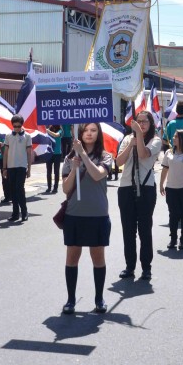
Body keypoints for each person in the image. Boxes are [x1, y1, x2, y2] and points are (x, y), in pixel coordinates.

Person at [60, 123, 115, 314]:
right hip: (74, 215)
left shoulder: (106, 156)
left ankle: (99, 299)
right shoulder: (69, 159)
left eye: (93, 130)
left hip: (98, 214)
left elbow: (98, 175)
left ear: (98, 133)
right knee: (72, 257)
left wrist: (83, 155)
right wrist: (74, 168)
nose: (89, 134)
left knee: (97, 257)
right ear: (79, 133)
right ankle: (70, 300)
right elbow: (66, 189)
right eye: (85, 130)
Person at [116, 110, 161, 281]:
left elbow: (143, 155)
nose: (141, 124)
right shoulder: (128, 139)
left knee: (144, 229)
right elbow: (118, 162)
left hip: (145, 188)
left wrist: (139, 140)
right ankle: (130, 266)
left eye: (145, 122)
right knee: (128, 230)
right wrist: (131, 143)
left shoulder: (155, 141)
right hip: (126, 187)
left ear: (151, 124)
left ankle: (146, 267)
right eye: (139, 121)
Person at [2, 115, 34, 222]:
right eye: (14, 126)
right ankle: (15, 213)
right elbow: (5, 153)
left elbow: (29, 153)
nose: (16, 128)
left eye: (18, 126)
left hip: (21, 166)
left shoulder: (27, 136)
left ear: (22, 125)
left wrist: (29, 168)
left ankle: (24, 212)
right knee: (13, 190)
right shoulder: (8, 136)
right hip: (11, 166)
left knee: (19, 189)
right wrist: (4, 168)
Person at [45, 123, 64, 194]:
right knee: (48, 171)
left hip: (57, 154)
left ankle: (55, 188)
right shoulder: (49, 130)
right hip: (49, 153)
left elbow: (56, 135)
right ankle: (49, 187)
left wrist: (47, 130)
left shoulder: (60, 131)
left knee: (56, 171)